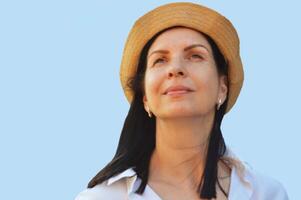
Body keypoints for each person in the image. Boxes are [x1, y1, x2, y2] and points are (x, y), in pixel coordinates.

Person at [75, 2, 288, 200]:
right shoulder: (102, 197)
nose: (175, 68)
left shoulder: (266, 193)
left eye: (195, 56)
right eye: (160, 60)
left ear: (222, 87)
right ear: (145, 98)